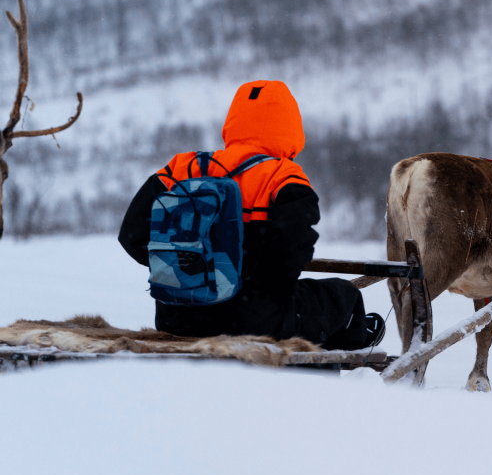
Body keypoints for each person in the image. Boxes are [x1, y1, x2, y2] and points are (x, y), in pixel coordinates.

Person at [118, 80, 384, 350]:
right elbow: (291, 258)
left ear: (233, 120)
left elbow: (132, 235)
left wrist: (185, 272)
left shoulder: (182, 168)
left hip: (175, 319)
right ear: (291, 126)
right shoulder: (283, 178)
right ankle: (348, 358)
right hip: (252, 324)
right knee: (344, 296)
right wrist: (245, 287)